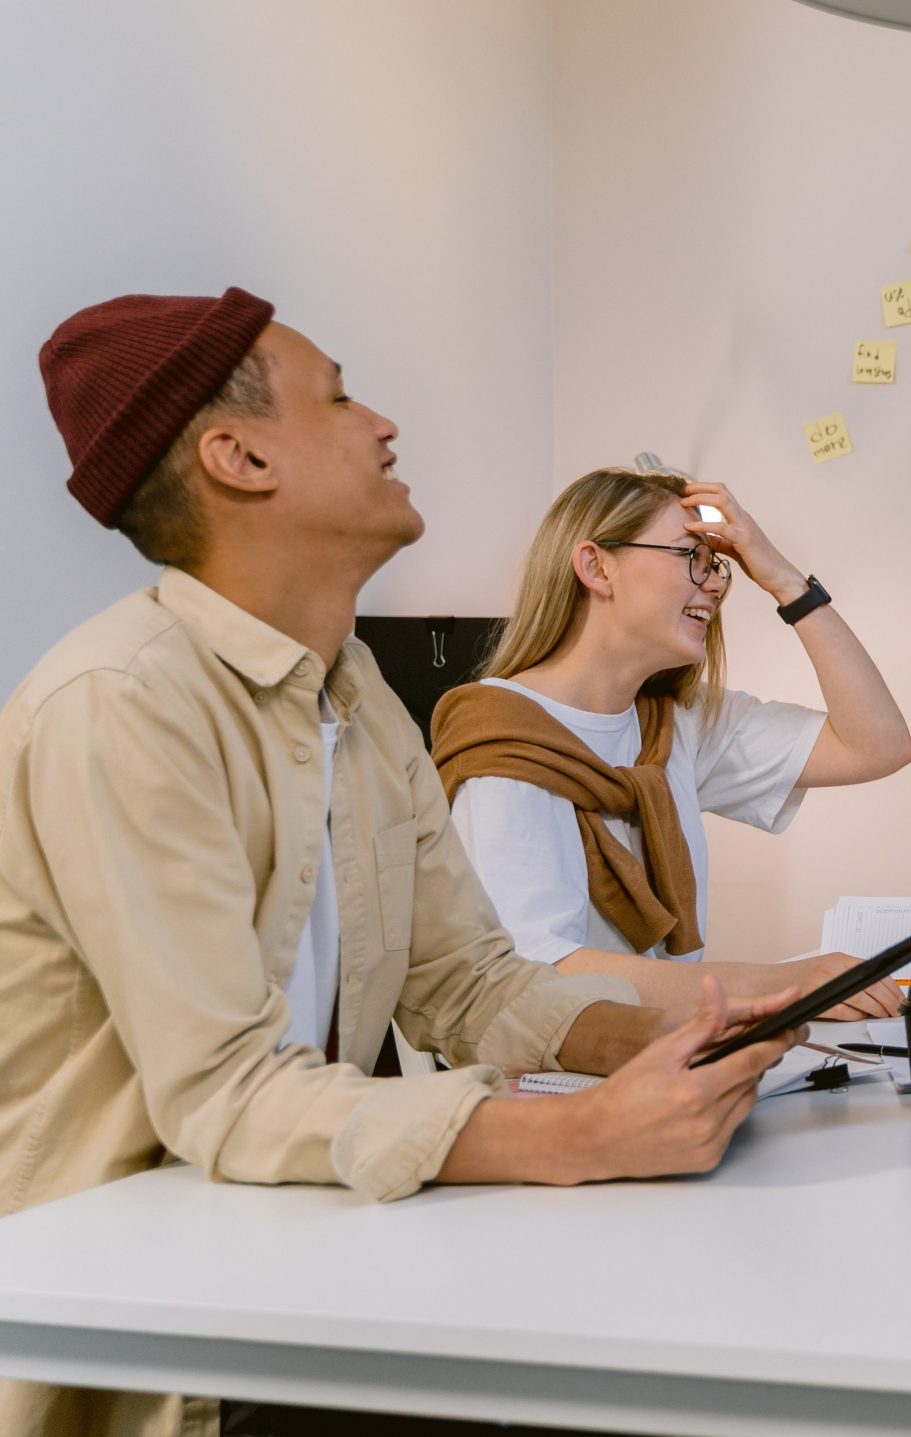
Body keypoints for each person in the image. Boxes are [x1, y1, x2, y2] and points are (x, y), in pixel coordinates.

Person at [0, 289, 808, 1437]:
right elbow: (228, 1095)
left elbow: (469, 981)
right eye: (336, 395)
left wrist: (669, 1041)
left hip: (303, 1267)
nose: (382, 423)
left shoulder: (357, 694)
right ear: (236, 458)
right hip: (164, 1343)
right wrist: (579, 1135)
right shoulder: (123, 705)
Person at [432, 466, 911, 1018]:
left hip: (661, 1051)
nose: (713, 584)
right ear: (596, 566)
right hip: (556, 1078)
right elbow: (533, 968)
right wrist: (777, 985)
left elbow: (878, 745)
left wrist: (787, 583)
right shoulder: (503, 740)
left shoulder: (674, 723)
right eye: (691, 557)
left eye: (718, 568)